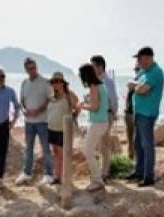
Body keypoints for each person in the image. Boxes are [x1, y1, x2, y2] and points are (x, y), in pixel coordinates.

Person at [127, 47, 164, 187]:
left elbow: (142, 89)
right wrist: (136, 85)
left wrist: (134, 86)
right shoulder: (144, 71)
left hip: (147, 113)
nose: (138, 61)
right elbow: (136, 84)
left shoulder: (156, 72)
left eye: (140, 58)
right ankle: (139, 171)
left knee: (147, 144)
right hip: (139, 112)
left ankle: (149, 176)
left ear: (149, 58)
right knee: (138, 144)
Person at [17, 57, 54, 185]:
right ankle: (27, 173)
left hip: (43, 121)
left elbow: (50, 99)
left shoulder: (45, 82)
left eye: (34, 67)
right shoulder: (24, 83)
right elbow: (21, 101)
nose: (32, 70)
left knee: (45, 149)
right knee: (28, 148)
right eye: (29, 68)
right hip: (28, 122)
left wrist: (38, 110)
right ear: (26, 69)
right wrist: (23, 110)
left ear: (37, 67)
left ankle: (49, 174)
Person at [77, 63, 110, 192]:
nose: (80, 77)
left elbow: (95, 108)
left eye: (80, 74)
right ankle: (96, 176)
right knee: (90, 149)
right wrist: (87, 103)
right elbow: (99, 104)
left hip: (97, 123)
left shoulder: (94, 86)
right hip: (101, 122)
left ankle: (97, 180)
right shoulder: (101, 84)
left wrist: (82, 106)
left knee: (87, 150)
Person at [47, 71, 79, 183]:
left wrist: (73, 116)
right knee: (56, 153)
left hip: (64, 129)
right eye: (53, 82)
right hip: (51, 129)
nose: (55, 84)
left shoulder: (69, 95)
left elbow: (78, 106)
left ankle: (64, 178)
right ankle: (57, 177)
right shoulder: (52, 96)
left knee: (63, 154)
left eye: (57, 81)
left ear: (63, 83)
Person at [90, 55, 118, 181]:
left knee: (103, 144)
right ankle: (99, 171)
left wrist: (112, 115)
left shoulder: (107, 81)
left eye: (93, 66)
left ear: (100, 66)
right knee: (97, 144)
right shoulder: (96, 80)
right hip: (97, 116)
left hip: (106, 115)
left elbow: (113, 100)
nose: (91, 69)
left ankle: (105, 172)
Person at [124, 65, 139, 160]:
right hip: (128, 112)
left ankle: (137, 159)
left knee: (136, 138)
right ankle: (130, 157)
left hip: (136, 113)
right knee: (129, 137)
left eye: (138, 69)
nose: (137, 72)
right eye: (136, 70)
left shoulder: (142, 82)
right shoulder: (135, 81)